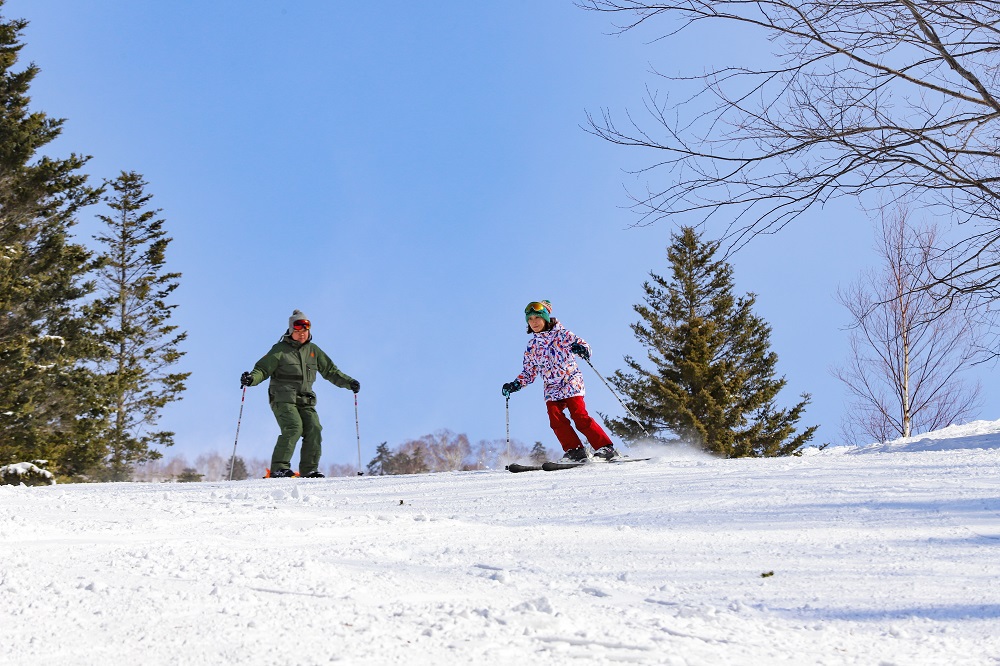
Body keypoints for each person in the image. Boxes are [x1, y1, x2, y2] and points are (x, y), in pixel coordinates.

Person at [240, 309, 360, 478]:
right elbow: (262, 369)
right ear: (291, 331)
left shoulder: (313, 351)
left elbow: (331, 371)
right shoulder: (280, 350)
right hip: (283, 398)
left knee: (314, 428)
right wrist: (251, 379)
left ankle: (309, 469)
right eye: (298, 331)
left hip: (305, 399)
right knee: (294, 427)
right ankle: (279, 468)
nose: (302, 334)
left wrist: (349, 382)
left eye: (305, 331)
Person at [502, 300, 619, 462]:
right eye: (530, 319)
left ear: (545, 318)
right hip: (551, 387)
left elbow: (585, 346)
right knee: (555, 419)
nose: (534, 322)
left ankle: (605, 447)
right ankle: (575, 450)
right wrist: (515, 384)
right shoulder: (532, 346)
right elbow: (529, 372)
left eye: (537, 318)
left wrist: (582, 350)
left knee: (579, 416)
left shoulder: (562, 334)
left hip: (570, 381)